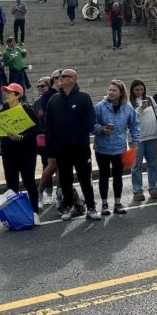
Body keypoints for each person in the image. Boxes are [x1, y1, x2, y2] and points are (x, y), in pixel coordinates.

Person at [45, 68, 99, 220]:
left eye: (64, 76)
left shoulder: (84, 97)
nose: (60, 78)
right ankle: (68, 206)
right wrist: (52, 147)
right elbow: (48, 125)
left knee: (85, 179)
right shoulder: (54, 100)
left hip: (80, 147)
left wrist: (76, 134)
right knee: (66, 179)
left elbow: (90, 121)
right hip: (62, 149)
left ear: (73, 79)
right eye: (59, 77)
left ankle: (91, 208)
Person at [93, 80, 140, 216]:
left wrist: (135, 142)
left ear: (121, 93)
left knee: (118, 176)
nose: (111, 93)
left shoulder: (127, 108)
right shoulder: (100, 107)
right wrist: (101, 129)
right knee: (103, 176)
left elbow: (134, 125)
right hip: (102, 148)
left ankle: (118, 203)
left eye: (114, 90)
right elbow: (92, 125)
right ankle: (104, 204)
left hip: (119, 148)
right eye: (110, 90)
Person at [0, 83, 40, 222]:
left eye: (9, 93)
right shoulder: (3, 111)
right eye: (6, 92)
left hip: (26, 153)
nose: (6, 95)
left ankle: (35, 213)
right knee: (11, 185)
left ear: (18, 95)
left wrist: (21, 137)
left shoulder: (27, 110)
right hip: (8, 153)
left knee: (29, 182)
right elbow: (0, 129)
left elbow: (36, 130)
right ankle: (15, 215)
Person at [128, 80, 157, 203]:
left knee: (152, 164)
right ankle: (137, 191)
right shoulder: (129, 103)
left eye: (141, 89)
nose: (140, 92)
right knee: (136, 165)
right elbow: (131, 118)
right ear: (132, 90)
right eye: (137, 90)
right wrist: (141, 108)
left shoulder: (150, 99)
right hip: (137, 139)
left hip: (152, 136)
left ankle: (153, 188)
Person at [33, 75, 56, 206]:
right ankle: (48, 194)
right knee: (46, 166)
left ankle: (60, 193)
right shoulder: (37, 103)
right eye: (39, 86)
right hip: (43, 139)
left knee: (59, 167)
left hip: (56, 137)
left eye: (43, 86)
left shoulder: (55, 99)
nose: (41, 88)